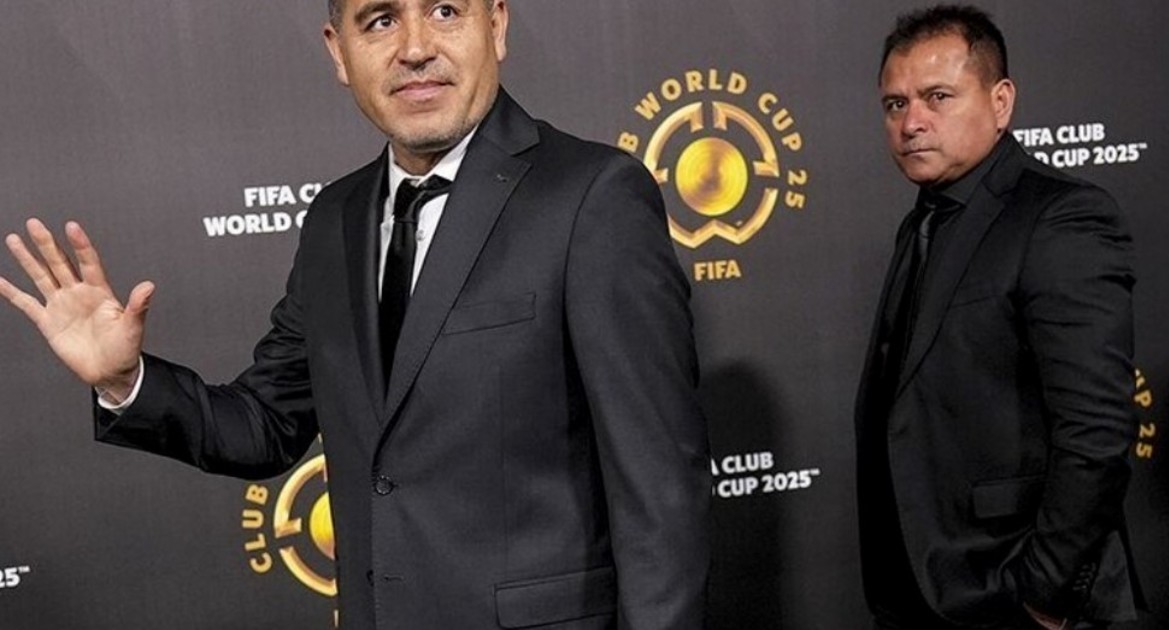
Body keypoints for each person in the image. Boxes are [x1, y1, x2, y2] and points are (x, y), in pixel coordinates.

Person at [0, 1, 710, 629]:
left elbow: (660, 493)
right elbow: (266, 424)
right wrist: (125, 380)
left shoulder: (592, 197)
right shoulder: (335, 218)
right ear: (339, 51)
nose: (415, 47)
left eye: (445, 11)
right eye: (380, 19)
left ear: (496, 25)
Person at [855, 5, 1141, 629]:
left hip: (1020, 599)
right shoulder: (923, 223)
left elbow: (1096, 430)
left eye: (938, 97)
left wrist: (1043, 595)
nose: (912, 122)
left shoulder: (1060, 218)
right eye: (895, 104)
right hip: (925, 595)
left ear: (1001, 101)